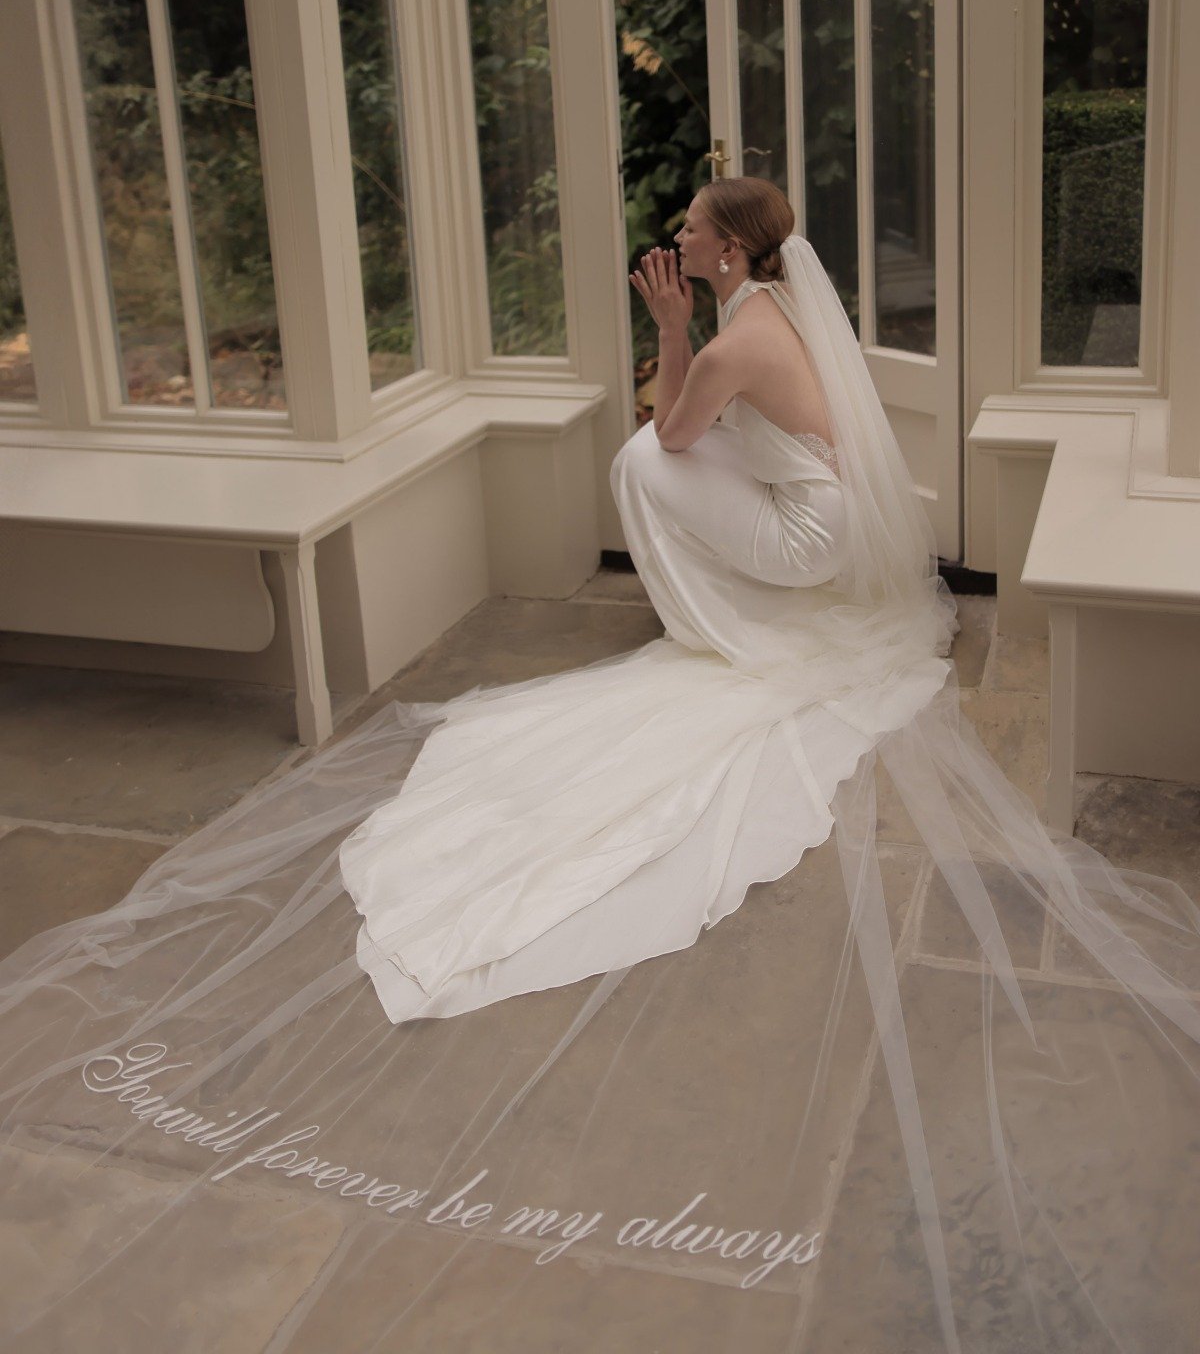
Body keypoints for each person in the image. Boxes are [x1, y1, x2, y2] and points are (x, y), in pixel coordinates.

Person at [1, 179, 1197, 1353]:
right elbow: (714, 431)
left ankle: (724, 636)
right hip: (822, 509)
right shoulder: (773, 309)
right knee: (650, 455)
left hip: (806, 531)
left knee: (635, 464)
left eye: (691, 232)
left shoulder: (730, 332)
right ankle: (734, 623)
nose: (675, 240)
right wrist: (688, 333)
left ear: (729, 252)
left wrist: (667, 329)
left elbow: (676, 433)